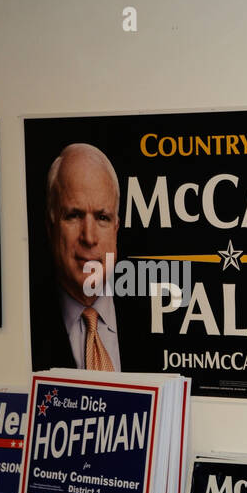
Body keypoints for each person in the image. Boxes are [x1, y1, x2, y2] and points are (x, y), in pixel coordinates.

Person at [30, 143, 152, 372]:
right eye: (74, 216)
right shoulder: (25, 324)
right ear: (50, 226)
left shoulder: (153, 316)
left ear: (116, 228)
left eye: (102, 218)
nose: (89, 237)